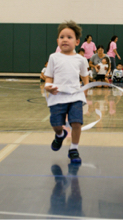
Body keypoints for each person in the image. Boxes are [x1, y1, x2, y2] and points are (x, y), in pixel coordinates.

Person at [44, 20, 89, 164]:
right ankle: (60, 135)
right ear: (57, 40)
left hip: (75, 95)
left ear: (77, 41)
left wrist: (85, 88)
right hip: (57, 96)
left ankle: (74, 149)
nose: (65, 40)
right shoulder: (53, 57)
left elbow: (84, 75)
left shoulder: (81, 59)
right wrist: (47, 85)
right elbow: (49, 76)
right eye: (62, 37)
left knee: (76, 123)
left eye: (69, 37)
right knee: (56, 124)